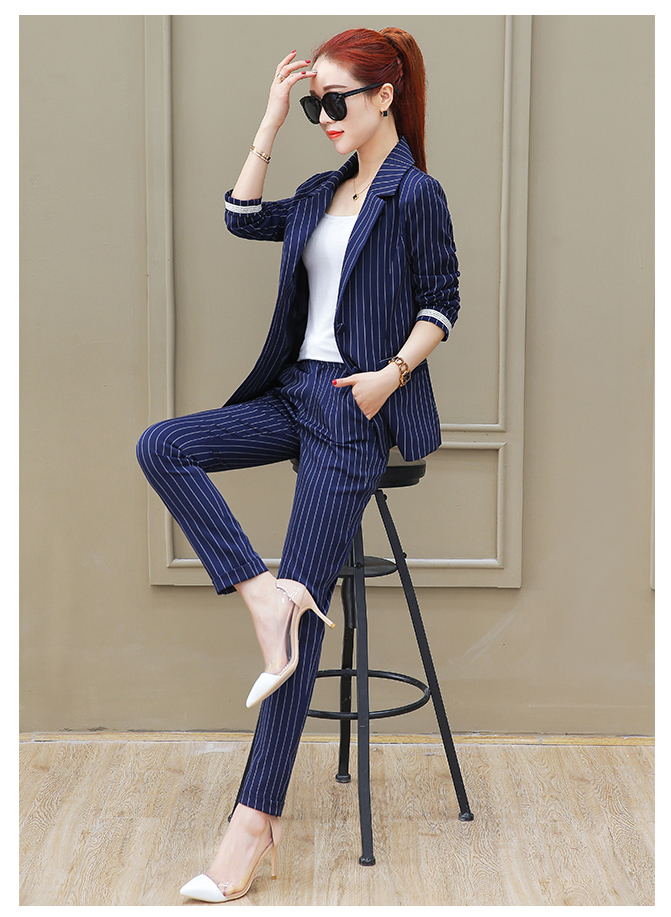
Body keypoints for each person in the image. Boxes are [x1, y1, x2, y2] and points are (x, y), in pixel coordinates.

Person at [136, 26, 459, 902]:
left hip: (356, 407)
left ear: (385, 96)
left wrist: (389, 377)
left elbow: (443, 302)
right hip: (292, 394)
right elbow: (241, 216)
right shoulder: (322, 190)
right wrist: (273, 116)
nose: (328, 117)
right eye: (318, 104)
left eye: (336, 101)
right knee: (164, 445)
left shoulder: (414, 194)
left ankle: (254, 825)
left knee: (304, 623)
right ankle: (260, 593)